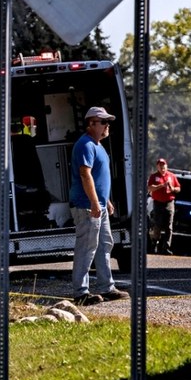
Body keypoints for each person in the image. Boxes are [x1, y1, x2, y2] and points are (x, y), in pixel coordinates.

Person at [69, 106, 129, 305]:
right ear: (91, 124)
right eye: (103, 122)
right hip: (87, 206)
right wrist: (95, 203)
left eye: (108, 122)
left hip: (98, 205)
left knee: (104, 245)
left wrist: (106, 201)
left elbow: (98, 177)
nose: (107, 126)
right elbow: (85, 175)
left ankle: (107, 287)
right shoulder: (85, 144)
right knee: (87, 247)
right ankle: (81, 293)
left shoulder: (98, 145)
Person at [147, 158, 181, 255]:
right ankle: (154, 243)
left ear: (166, 166)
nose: (162, 167)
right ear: (157, 166)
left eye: (164, 165)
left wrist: (173, 188)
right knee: (157, 225)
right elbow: (150, 188)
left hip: (169, 203)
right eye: (160, 165)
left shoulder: (172, 176)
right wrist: (162, 185)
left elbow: (178, 188)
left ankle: (166, 247)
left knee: (169, 226)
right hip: (158, 203)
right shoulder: (154, 176)